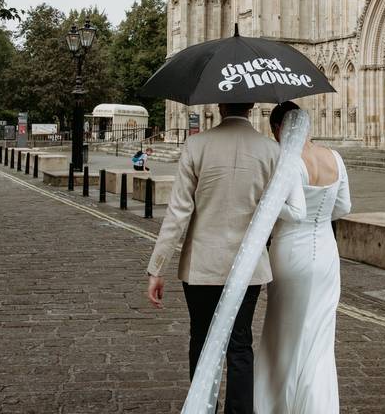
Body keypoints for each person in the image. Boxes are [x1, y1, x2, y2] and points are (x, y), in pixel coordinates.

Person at [146, 102, 304, 414]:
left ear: (219, 106)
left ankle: (203, 407)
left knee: (201, 339)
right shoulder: (271, 151)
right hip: (248, 267)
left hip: (202, 265)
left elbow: (178, 212)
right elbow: (279, 210)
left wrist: (157, 267)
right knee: (240, 345)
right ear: (253, 107)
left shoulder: (197, 145)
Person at [255, 101, 351, 414]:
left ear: (279, 128)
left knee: (284, 332)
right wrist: (319, 218)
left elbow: (294, 212)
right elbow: (344, 207)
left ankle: (278, 405)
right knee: (320, 337)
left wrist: (266, 202)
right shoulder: (334, 157)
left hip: (291, 252)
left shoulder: (289, 160)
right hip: (326, 253)